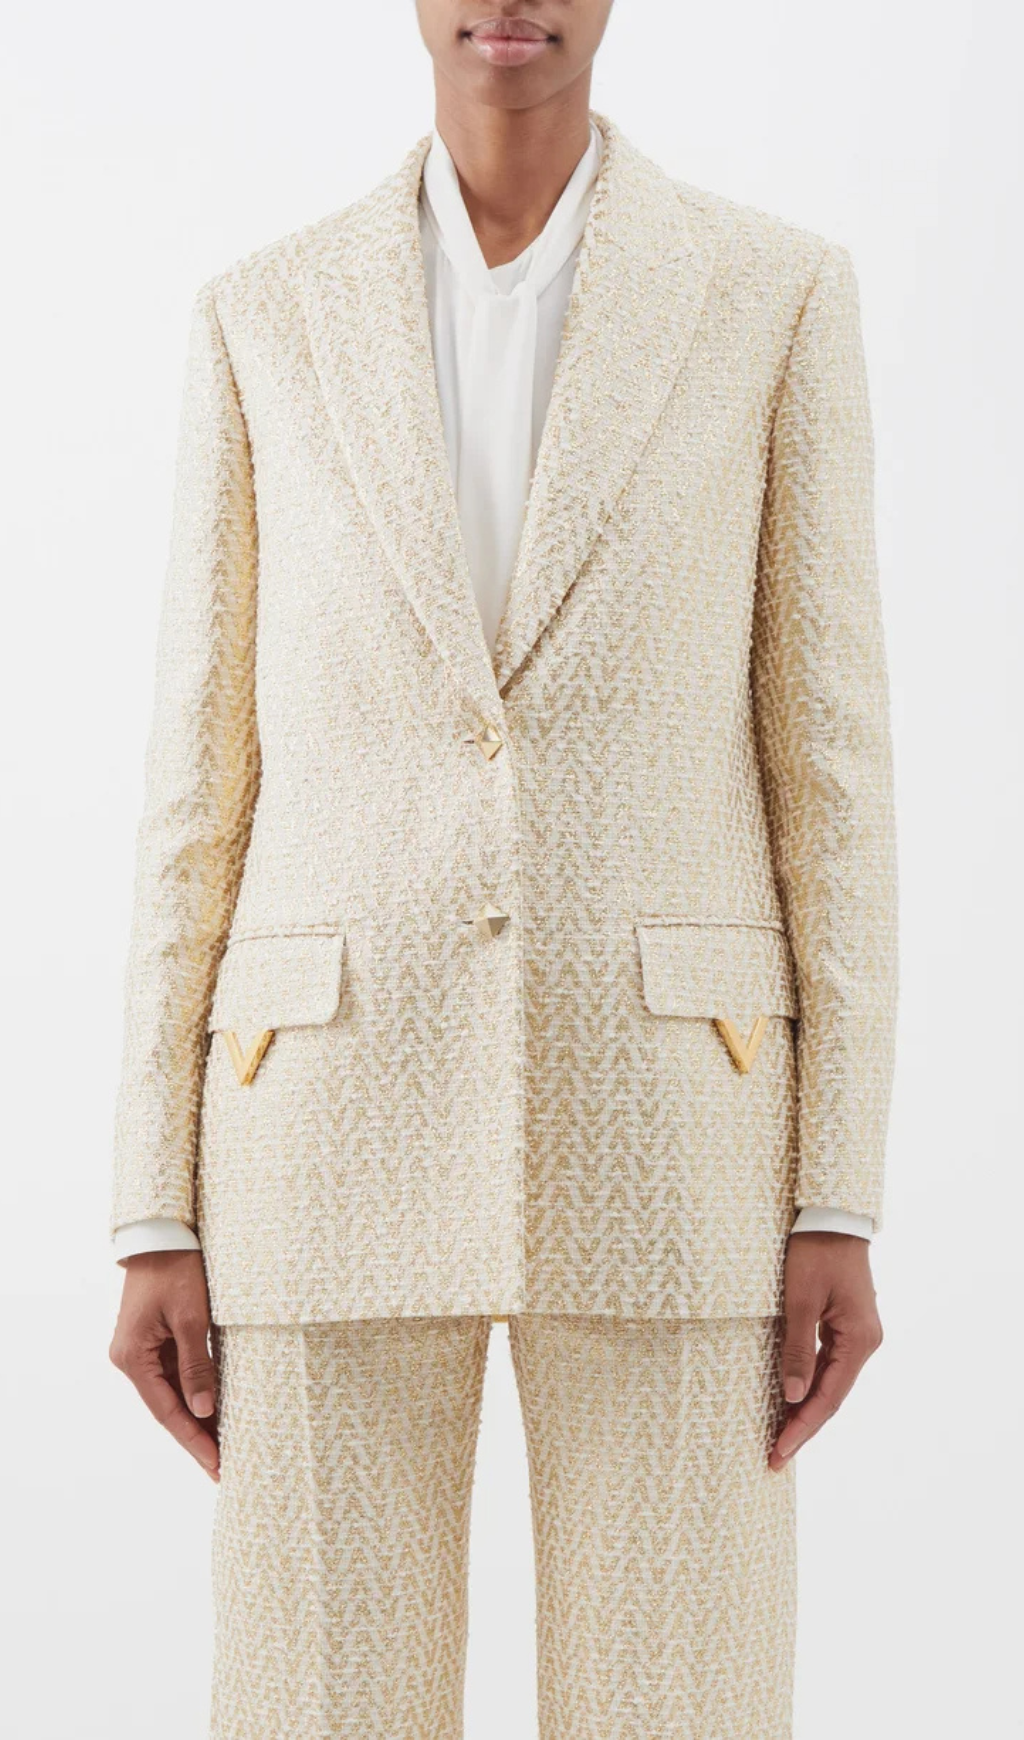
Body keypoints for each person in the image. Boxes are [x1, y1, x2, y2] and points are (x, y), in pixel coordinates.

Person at [108, 3, 898, 1734]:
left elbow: (830, 776)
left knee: (682, 1705)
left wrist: (836, 1191)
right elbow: (199, 780)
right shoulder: (264, 313)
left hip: (679, 1131)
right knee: (316, 1705)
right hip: (316, 1125)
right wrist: (152, 1204)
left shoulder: (772, 295)